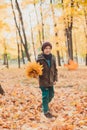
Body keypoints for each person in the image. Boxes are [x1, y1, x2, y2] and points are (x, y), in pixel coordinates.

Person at [37, 42, 58, 118]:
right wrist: (35, 73)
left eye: (49, 48)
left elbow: (55, 69)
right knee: (45, 96)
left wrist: (55, 79)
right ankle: (46, 111)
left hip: (51, 80)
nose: (47, 50)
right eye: (46, 48)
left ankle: (43, 104)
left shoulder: (53, 58)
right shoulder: (40, 59)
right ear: (43, 49)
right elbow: (36, 69)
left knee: (51, 95)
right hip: (43, 81)